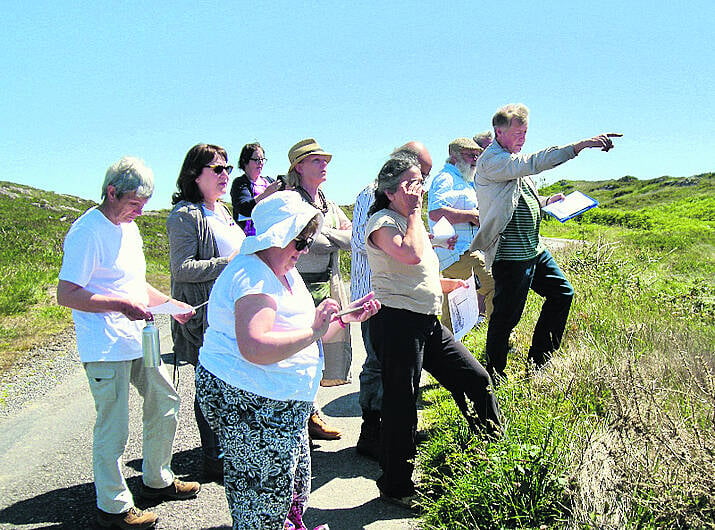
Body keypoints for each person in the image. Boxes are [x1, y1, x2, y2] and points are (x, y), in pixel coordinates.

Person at [195, 191, 380, 530]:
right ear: (277, 234)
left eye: (309, 241)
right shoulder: (253, 276)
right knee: (261, 500)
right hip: (251, 401)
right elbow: (256, 346)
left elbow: (298, 332)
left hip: (279, 405)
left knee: (287, 489)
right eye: (300, 241)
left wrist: (343, 319)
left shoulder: (281, 268)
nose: (305, 250)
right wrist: (314, 331)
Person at [57, 156, 201, 530]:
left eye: (144, 205)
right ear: (110, 192)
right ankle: (114, 507)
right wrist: (120, 305)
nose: (139, 212)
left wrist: (172, 306)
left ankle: (157, 479)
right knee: (114, 425)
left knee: (165, 399)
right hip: (104, 347)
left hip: (136, 341)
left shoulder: (129, 229)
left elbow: (135, 287)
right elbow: (67, 293)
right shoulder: (87, 231)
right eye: (134, 204)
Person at [366, 155, 501, 507]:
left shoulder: (407, 221)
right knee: (401, 405)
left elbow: (417, 273)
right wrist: (412, 212)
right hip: (396, 322)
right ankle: (396, 486)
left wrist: (448, 286)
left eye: (420, 182)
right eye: (411, 184)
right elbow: (409, 256)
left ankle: (492, 453)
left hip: (425, 321)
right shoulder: (383, 221)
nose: (419, 190)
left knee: (476, 379)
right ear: (391, 191)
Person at [471, 103, 621, 379]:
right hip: (512, 254)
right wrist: (580, 146)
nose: (523, 138)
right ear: (498, 132)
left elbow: (513, 200)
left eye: (525, 132)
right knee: (507, 317)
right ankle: (492, 376)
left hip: (534, 250)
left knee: (562, 293)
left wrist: (545, 202)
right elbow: (533, 162)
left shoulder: (510, 160)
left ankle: (539, 363)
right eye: (517, 132)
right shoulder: (493, 160)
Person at [166, 143, 246, 480]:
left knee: (232, 382)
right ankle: (214, 458)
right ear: (194, 175)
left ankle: (229, 450)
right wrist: (227, 264)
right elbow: (181, 268)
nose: (226, 174)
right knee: (211, 385)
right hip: (205, 318)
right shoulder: (185, 216)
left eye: (228, 168)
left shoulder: (224, 212)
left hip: (231, 313)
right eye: (217, 169)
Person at [352, 141, 432, 460]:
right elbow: (362, 240)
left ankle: (395, 431)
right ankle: (371, 431)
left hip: (398, 294)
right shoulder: (372, 196)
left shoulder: (403, 202)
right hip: (373, 292)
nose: (423, 183)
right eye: (421, 175)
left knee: (397, 369)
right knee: (377, 363)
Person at [285, 138, 352, 440]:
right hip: (300, 287)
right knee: (302, 353)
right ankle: (302, 418)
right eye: (316, 160)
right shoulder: (291, 202)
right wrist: (328, 236)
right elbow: (312, 243)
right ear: (298, 166)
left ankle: (310, 416)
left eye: (325, 160)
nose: (324, 164)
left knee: (322, 353)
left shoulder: (328, 202)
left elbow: (353, 237)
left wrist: (325, 233)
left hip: (330, 284)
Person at [427, 137, 495, 331]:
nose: (474, 159)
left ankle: (444, 347)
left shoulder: (465, 180)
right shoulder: (445, 178)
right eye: (470, 155)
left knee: (455, 298)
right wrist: (471, 216)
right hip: (457, 250)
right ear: (454, 156)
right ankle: (498, 341)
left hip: (466, 249)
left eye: (476, 155)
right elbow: (436, 211)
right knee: (492, 284)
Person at [230, 142, 283, 235]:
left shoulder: (269, 181)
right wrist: (266, 194)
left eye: (262, 159)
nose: (260, 163)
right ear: (245, 161)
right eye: (256, 160)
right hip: (248, 237)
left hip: (269, 234)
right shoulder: (240, 183)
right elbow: (244, 209)